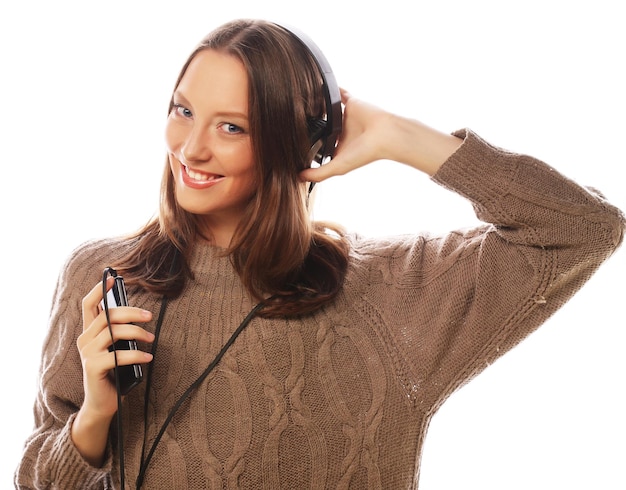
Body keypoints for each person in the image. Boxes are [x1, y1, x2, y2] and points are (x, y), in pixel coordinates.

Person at [15, 18, 624, 490]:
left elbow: (583, 228)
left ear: (297, 143)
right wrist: (96, 414)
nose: (191, 149)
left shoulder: (391, 294)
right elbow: (40, 478)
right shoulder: (102, 276)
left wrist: (403, 137)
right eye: (183, 111)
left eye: (233, 127)